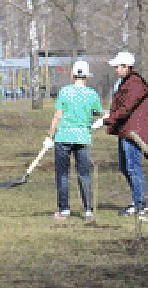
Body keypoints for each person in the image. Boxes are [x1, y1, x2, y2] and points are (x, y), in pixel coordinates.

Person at [102, 50, 148, 221]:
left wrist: (108, 119)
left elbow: (126, 108)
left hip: (134, 133)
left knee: (133, 167)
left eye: (118, 67)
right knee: (125, 167)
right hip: (126, 131)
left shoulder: (134, 83)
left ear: (127, 67)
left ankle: (139, 204)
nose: (115, 69)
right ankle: (138, 200)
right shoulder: (125, 82)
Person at [45, 60, 102, 221]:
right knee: (84, 174)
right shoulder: (92, 94)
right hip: (83, 137)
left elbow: (58, 115)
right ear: (87, 76)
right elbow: (97, 111)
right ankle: (88, 211)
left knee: (62, 174)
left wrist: (50, 136)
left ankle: (64, 210)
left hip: (63, 137)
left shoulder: (65, 91)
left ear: (72, 74)